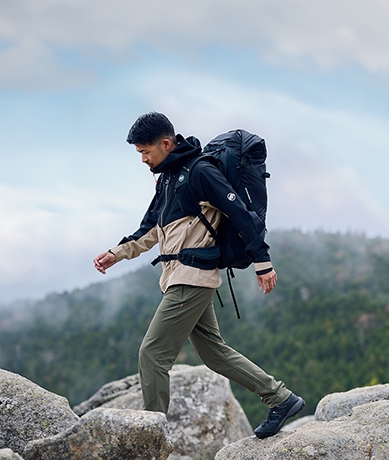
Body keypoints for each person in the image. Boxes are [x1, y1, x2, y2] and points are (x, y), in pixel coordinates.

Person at [93, 112, 304, 438]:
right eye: (140, 154)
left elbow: (240, 212)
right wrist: (116, 254)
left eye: (145, 151)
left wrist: (263, 261)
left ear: (166, 143)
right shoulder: (167, 178)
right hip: (179, 276)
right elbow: (150, 230)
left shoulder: (200, 172)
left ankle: (151, 441)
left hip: (191, 278)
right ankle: (280, 398)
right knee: (214, 353)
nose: (144, 159)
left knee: (152, 355)